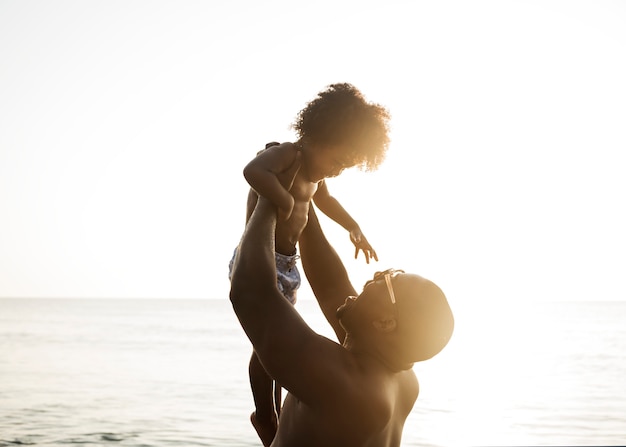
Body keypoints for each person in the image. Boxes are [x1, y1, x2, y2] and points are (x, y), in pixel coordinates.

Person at [229, 83, 390, 444]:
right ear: (319, 134)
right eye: (337, 160)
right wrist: (280, 201)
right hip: (263, 260)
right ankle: (266, 410)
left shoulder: (316, 176)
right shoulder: (288, 155)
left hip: (288, 262)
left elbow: (325, 201)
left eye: (347, 166)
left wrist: (353, 226)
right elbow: (253, 171)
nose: (336, 170)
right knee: (266, 344)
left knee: (273, 344)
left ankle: (271, 407)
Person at [229, 195, 454, 447]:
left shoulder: (350, 388)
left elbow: (250, 293)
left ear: (385, 323)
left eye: (390, 279)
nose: (378, 274)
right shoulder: (400, 380)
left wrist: (268, 196)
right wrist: (302, 190)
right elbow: (330, 285)